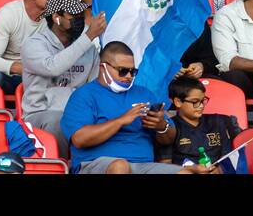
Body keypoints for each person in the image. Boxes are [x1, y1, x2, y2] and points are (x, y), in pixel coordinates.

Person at [60, 40, 184, 174]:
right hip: (96, 164)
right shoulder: (84, 95)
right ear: (103, 68)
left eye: (133, 72)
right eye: (123, 71)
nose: (129, 76)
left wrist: (161, 126)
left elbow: (169, 138)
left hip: (143, 165)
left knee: (185, 173)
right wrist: (121, 120)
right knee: (120, 166)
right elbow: (79, 139)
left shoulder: (144, 93)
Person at [20, 0, 106, 151]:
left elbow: (94, 87)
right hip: (40, 113)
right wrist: (88, 37)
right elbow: (53, 67)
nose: (80, 19)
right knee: (60, 121)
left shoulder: (89, 49)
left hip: (77, 113)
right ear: (56, 18)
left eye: (81, 14)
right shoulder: (34, 44)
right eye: (74, 15)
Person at [158, 75, 241, 169]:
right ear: (178, 102)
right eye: (195, 102)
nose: (201, 106)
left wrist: (220, 170)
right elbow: (165, 166)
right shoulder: (169, 130)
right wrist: (192, 170)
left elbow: (227, 157)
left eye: (203, 100)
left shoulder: (217, 121)